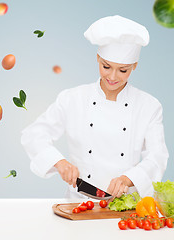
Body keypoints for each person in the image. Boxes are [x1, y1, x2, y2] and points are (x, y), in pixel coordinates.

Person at [21, 15, 169, 199]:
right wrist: (59, 162)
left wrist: (129, 178)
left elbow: (158, 156)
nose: (113, 77)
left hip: (124, 205)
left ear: (134, 66)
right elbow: (34, 134)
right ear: (98, 58)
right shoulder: (72, 98)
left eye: (123, 70)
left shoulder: (148, 106)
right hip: (79, 203)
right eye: (106, 67)